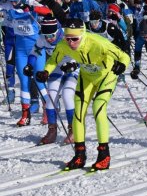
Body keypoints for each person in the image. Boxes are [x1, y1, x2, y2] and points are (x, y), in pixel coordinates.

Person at [37, 19, 130, 171]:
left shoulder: (97, 42)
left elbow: (123, 56)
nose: (71, 42)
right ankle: (79, 155)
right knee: (78, 115)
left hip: (106, 76)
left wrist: (122, 65)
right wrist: (46, 71)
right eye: (68, 38)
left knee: (98, 109)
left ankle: (104, 155)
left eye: (75, 39)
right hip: (86, 77)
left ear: (83, 35)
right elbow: (54, 59)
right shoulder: (63, 45)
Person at [26, 15, 79, 144]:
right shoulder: (42, 38)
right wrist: (29, 65)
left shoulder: (66, 36)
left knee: (67, 95)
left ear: (58, 30)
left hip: (72, 67)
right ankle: (52, 131)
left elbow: (80, 51)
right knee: (50, 99)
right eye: (47, 36)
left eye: (52, 35)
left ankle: (73, 130)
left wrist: (74, 64)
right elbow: (34, 52)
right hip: (55, 68)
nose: (49, 39)